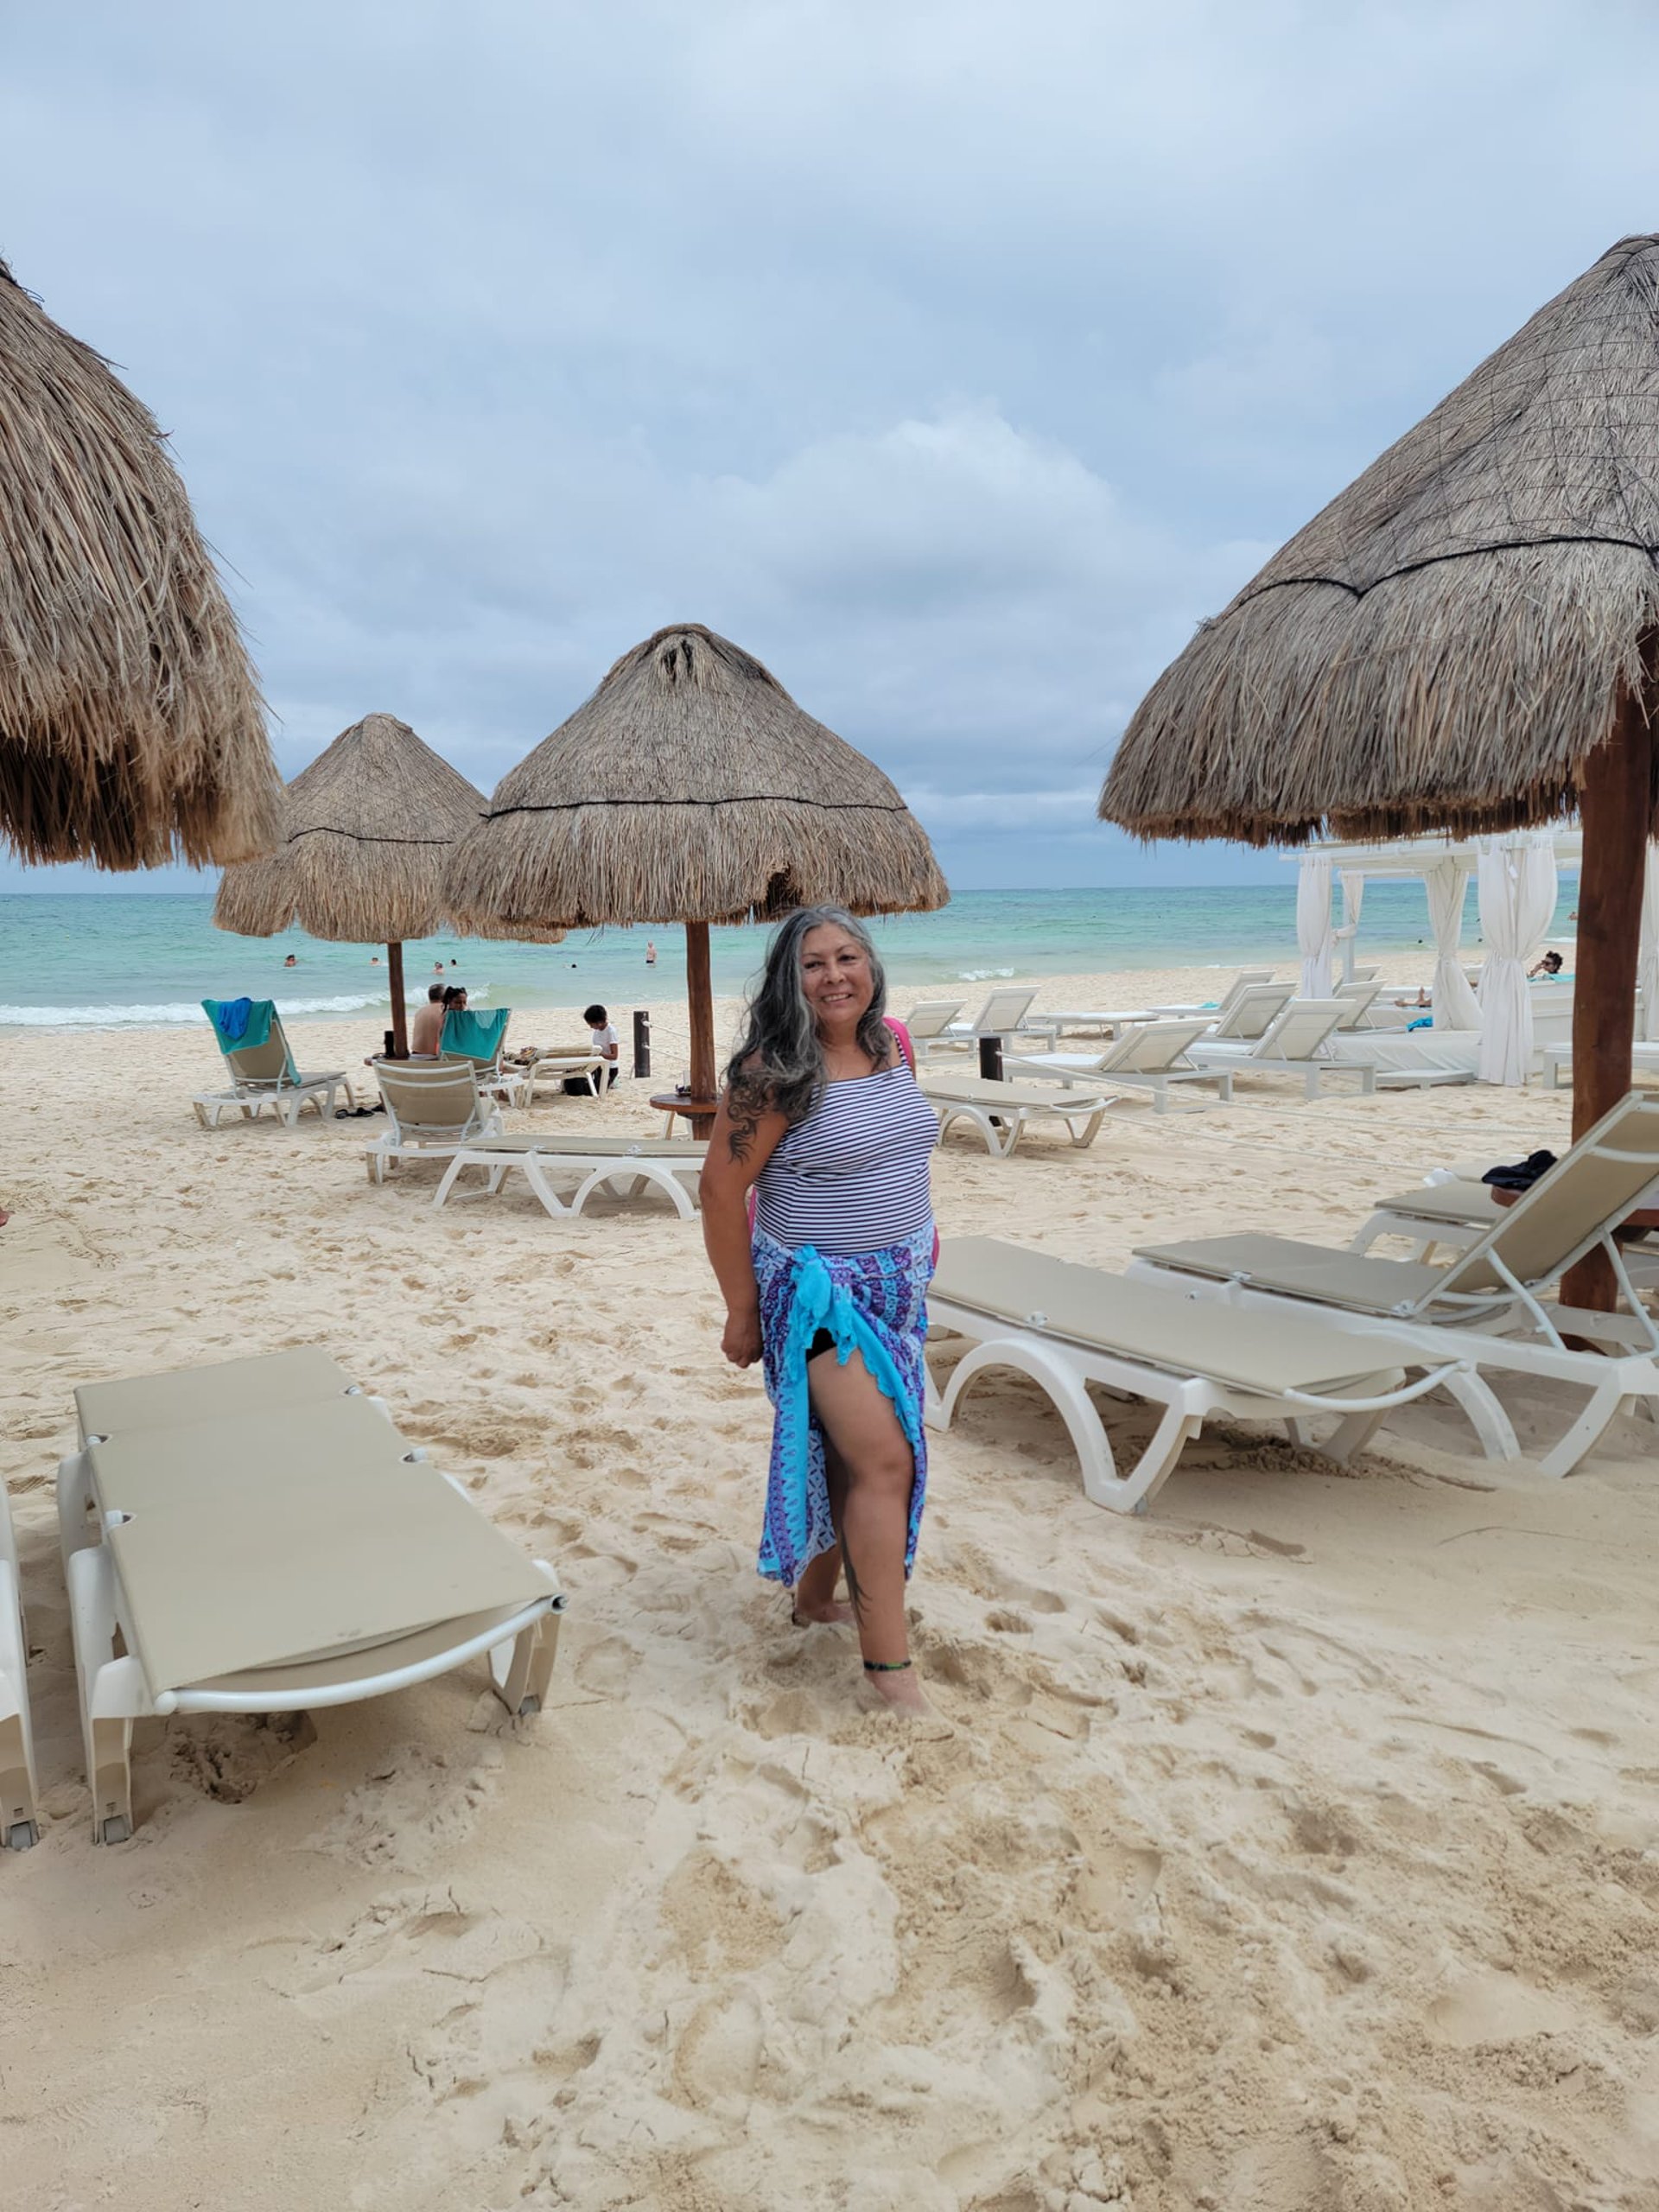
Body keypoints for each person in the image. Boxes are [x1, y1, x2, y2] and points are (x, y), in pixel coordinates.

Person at [701, 906, 938, 1714]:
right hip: (817, 1296)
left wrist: (923, 1241)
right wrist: (742, 1311)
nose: (834, 976)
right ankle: (888, 1674)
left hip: (899, 1287)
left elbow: (901, 1153)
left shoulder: (894, 1043)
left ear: (871, 966)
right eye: (812, 964)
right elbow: (720, 1192)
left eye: (847, 958)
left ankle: (813, 1598)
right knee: (884, 1461)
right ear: (788, 979)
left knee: (844, 1449)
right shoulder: (773, 1073)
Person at [564, 1004, 620, 1093]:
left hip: (609, 1067)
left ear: (599, 1022)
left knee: (593, 1090)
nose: (590, 1027)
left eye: (591, 1024)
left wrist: (598, 1055)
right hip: (597, 1065)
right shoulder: (597, 1031)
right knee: (574, 1086)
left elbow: (614, 1056)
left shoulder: (610, 1031)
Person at [410, 982, 447, 1056]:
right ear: (445, 997)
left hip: (416, 1055)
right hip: (434, 1056)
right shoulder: (444, 1010)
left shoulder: (420, 1011)